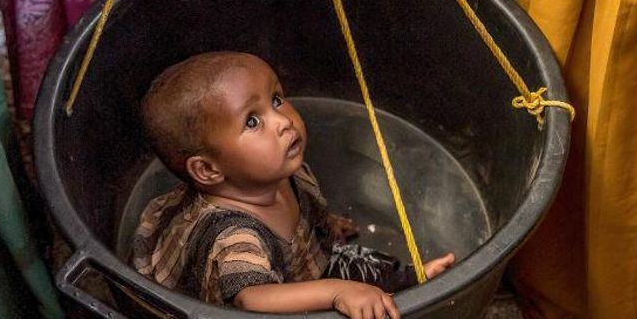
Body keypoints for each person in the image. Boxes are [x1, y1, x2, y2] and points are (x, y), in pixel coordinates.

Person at [131, 51, 456, 318]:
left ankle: (412, 281)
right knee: (348, 290)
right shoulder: (233, 237)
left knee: (361, 271)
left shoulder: (277, 170)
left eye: (276, 99)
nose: (284, 121)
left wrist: (321, 224)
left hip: (291, 264)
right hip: (239, 297)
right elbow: (252, 299)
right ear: (208, 169)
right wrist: (337, 292)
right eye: (253, 121)